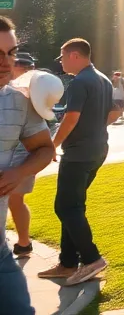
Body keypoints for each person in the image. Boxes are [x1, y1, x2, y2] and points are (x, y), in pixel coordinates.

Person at [38, 37, 121, 287]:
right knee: (74, 207)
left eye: (62, 57)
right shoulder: (104, 80)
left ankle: (92, 259)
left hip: (78, 154)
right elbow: (115, 112)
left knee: (65, 207)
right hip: (98, 150)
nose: (61, 62)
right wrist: (94, 128)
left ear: (75, 55)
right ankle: (67, 263)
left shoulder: (79, 82)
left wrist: (51, 145)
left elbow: (71, 119)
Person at [0, 20, 56, 315]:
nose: (7, 63)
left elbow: (46, 150)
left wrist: (18, 172)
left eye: (11, 53)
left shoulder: (20, 103)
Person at [6, 52, 41, 259]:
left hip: (21, 153)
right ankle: (23, 243)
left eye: (27, 66)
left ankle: (24, 242)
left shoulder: (32, 90)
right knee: (13, 199)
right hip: (14, 150)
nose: (23, 69)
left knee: (14, 198)